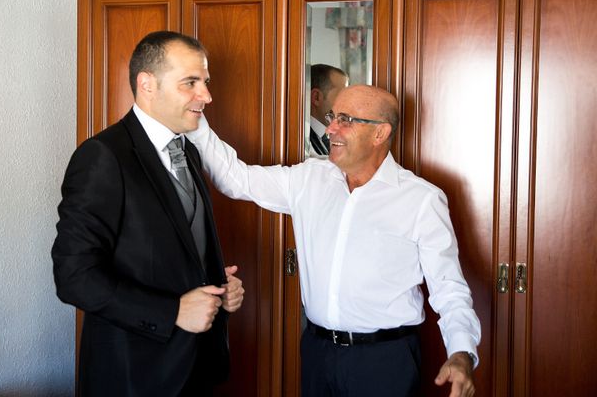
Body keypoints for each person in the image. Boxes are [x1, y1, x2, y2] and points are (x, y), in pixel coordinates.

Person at [188, 84, 480, 397]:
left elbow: (449, 288)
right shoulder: (308, 180)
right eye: (332, 116)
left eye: (345, 119)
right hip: (317, 353)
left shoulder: (422, 200)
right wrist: (194, 113)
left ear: (380, 133)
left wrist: (461, 354)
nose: (330, 129)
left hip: (384, 362)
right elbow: (235, 178)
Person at [52, 31, 244, 397]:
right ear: (147, 84)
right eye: (191, 82)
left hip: (195, 368)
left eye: (205, 82)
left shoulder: (187, 151)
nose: (206, 96)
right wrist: (171, 312)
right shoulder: (102, 157)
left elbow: (175, 249)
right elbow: (73, 276)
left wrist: (220, 287)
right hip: (133, 376)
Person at [309, 63, 349, 156]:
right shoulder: (300, 140)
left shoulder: (328, 136)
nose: (348, 103)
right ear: (316, 97)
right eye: (342, 95)